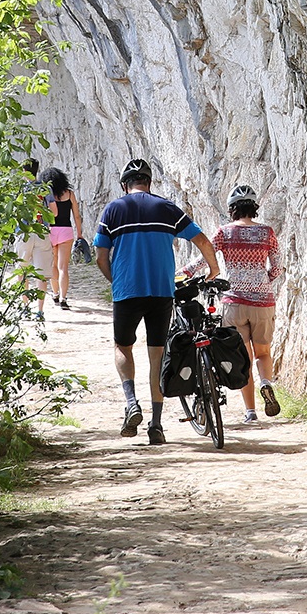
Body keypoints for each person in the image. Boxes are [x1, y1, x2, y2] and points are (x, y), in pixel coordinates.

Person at [95, 158, 220, 445]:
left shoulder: (113, 209)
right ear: (149, 183)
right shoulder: (167, 208)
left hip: (127, 290)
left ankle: (131, 403)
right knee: (157, 355)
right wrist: (213, 269)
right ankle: (156, 425)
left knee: (122, 346)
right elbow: (202, 241)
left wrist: (116, 280)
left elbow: (101, 255)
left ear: (125, 185)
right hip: (162, 292)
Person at [215, 184, 285, 422]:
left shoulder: (224, 232)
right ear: (254, 207)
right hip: (263, 303)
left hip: (234, 302)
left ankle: (251, 413)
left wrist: (185, 273)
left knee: (243, 360)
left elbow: (205, 257)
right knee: (262, 353)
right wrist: (263, 281)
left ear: (232, 209)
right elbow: (277, 267)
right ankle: (266, 383)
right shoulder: (267, 232)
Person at [40, 167, 83, 308]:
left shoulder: (46, 195)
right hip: (66, 231)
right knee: (63, 267)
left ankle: (55, 293)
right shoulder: (70, 194)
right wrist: (80, 234)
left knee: (53, 264)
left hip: (51, 231)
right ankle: (64, 298)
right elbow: (76, 215)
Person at [17, 157, 53, 323]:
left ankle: (25, 308)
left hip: (23, 232)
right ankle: (40, 311)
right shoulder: (45, 189)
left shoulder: (19, 189)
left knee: (22, 271)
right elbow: (55, 213)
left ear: (24, 171)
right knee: (41, 273)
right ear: (37, 170)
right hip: (41, 232)